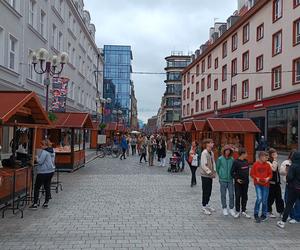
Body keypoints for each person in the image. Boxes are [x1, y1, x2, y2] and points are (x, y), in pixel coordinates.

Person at [29, 140, 55, 209]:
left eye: (42, 145)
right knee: (47, 186)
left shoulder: (45, 152)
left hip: (43, 172)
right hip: (51, 171)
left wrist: (36, 157)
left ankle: (35, 204)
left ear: (46, 145)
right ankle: (46, 203)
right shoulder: (52, 151)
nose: (41, 146)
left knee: (37, 187)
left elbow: (40, 162)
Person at [277, 151, 300, 228]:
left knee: (289, 204)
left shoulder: (293, 166)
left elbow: (289, 178)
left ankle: (282, 222)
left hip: (293, 188)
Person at [250, 151, 273, 223]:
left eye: (267, 157)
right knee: (259, 198)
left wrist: (268, 178)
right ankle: (256, 213)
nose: (267, 158)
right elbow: (251, 174)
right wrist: (256, 177)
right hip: (258, 184)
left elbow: (270, 174)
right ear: (260, 157)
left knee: (264, 200)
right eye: (265, 157)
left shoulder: (268, 165)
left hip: (266, 184)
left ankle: (264, 214)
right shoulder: (255, 164)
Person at [231, 148, 251, 219]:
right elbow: (232, 173)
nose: (247, 155)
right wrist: (237, 179)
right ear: (242, 154)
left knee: (245, 196)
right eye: (246, 153)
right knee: (238, 196)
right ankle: (237, 211)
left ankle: (243, 210)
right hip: (238, 183)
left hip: (246, 183)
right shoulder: (235, 162)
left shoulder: (246, 161)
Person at [216, 145, 235, 217]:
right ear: (224, 151)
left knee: (231, 194)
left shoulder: (232, 159)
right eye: (226, 151)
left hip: (230, 179)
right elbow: (217, 168)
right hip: (223, 179)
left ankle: (231, 208)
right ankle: (224, 207)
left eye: (229, 151)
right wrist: (220, 175)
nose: (227, 152)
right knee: (223, 194)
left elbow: (233, 169)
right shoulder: (220, 159)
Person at [200, 139, 217, 215]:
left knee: (209, 190)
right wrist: (210, 173)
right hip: (205, 175)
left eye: (212, 142)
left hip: (210, 175)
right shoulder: (204, 153)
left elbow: (213, 162)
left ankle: (207, 204)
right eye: (211, 143)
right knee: (205, 190)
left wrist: (214, 171)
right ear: (207, 144)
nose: (213, 144)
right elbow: (204, 165)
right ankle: (203, 206)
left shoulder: (211, 153)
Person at [267, 148, 284, 218]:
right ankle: (269, 211)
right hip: (271, 183)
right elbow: (273, 169)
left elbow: (278, 171)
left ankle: (281, 211)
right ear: (271, 155)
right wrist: (274, 160)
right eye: (275, 154)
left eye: (276, 153)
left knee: (279, 198)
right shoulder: (268, 162)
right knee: (270, 198)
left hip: (277, 183)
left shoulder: (275, 161)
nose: (276, 155)